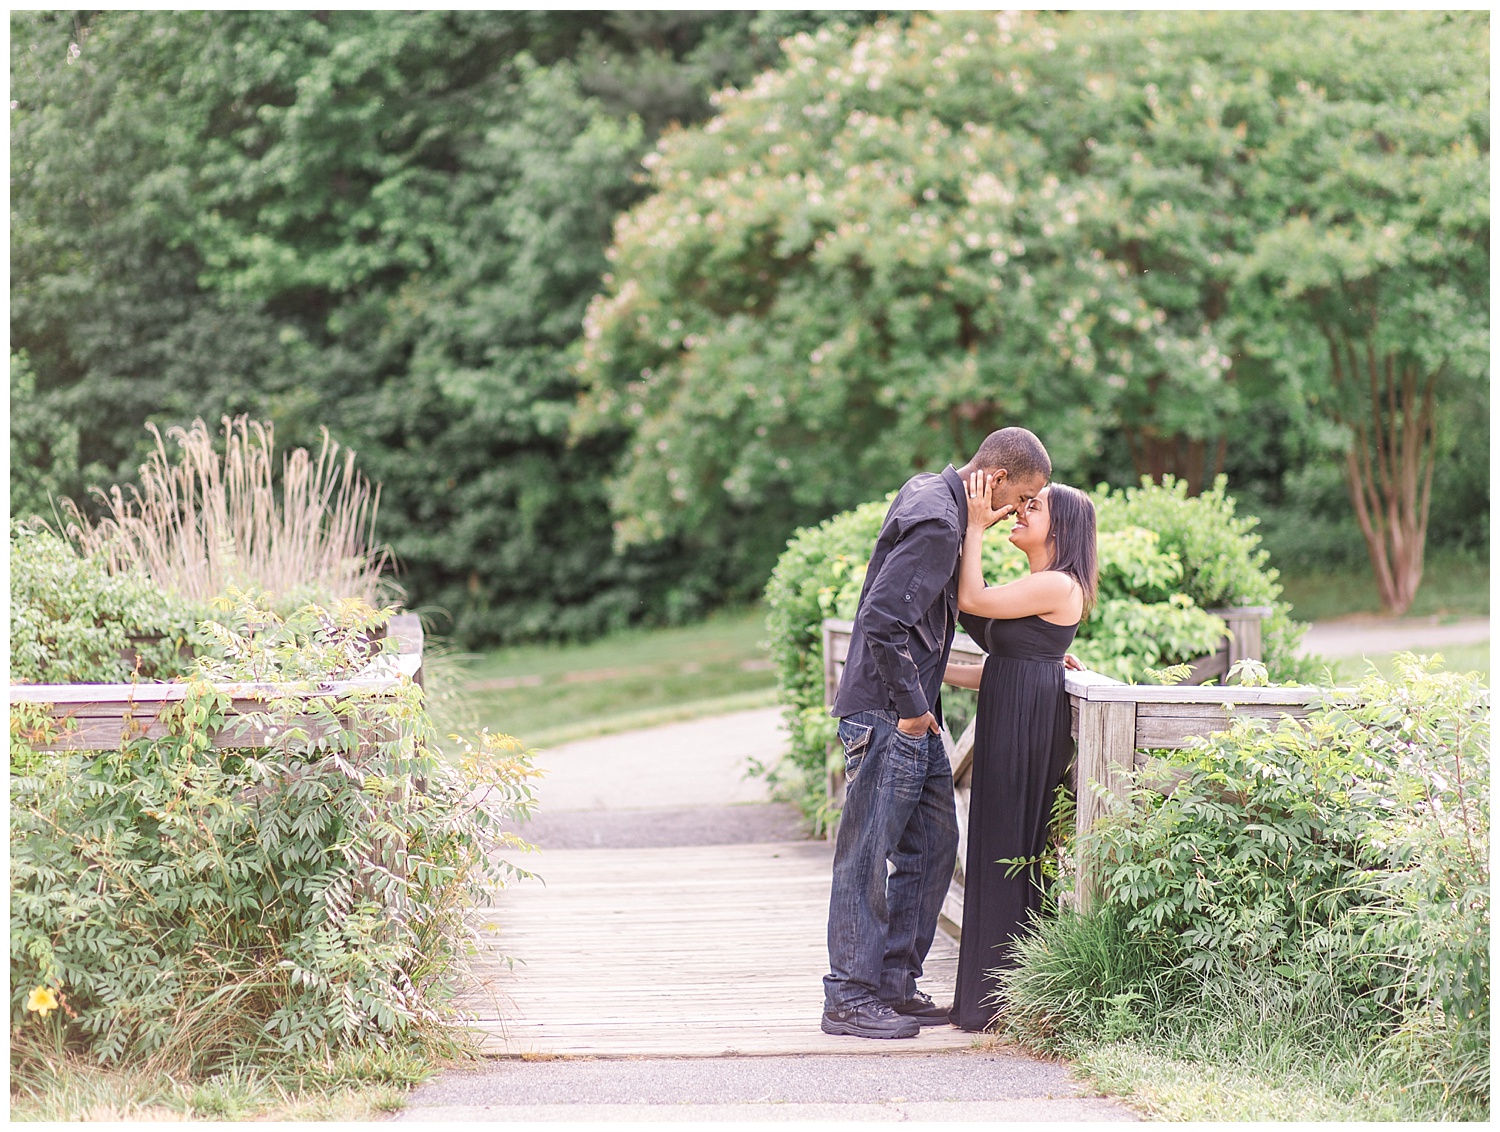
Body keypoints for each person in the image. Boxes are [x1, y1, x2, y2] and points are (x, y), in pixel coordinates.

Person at [822, 428, 1052, 1039]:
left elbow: (942, 611)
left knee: (933, 845)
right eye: (1022, 498)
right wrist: (907, 709)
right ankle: (848, 996)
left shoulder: (931, 494)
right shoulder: (940, 523)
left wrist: (1038, 654)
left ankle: (894, 983)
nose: (1017, 513)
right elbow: (880, 619)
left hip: (910, 711)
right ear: (995, 480)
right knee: (867, 853)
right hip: (888, 711)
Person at [942, 472, 1098, 1032]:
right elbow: (997, 665)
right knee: (994, 845)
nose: (1021, 511)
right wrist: (932, 670)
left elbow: (970, 598)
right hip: (1012, 715)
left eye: (1035, 506)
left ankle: (1004, 1000)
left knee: (1011, 847)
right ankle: (986, 1000)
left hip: (1027, 729)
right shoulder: (1041, 584)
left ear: (1064, 528)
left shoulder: (1058, 584)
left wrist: (975, 526)